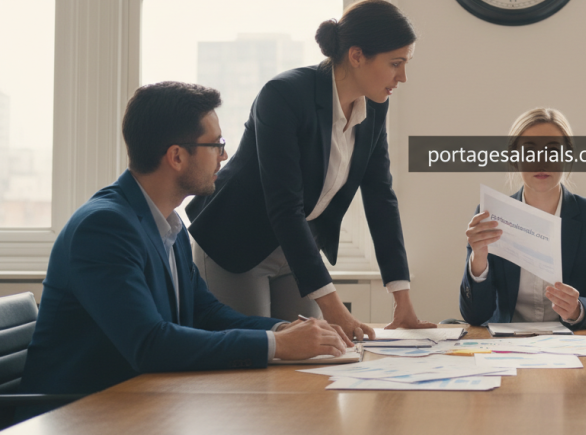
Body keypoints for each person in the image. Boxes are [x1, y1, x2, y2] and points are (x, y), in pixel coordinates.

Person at [19, 82, 347, 417]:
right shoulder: (104, 229)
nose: (225, 156)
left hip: (142, 401)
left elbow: (206, 313)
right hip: (77, 414)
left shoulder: (168, 223)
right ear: (176, 156)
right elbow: (149, 344)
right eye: (215, 145)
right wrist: (277, 347)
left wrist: (280, 330)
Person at [186, 0, 432, 339]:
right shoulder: (284, 95)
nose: (402, 77)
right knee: (254, 358)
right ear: (357, 55)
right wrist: (335, 310)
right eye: (395, 63)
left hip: (297, 249)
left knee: (314, 356)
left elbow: (380, 197)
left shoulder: (374, 107)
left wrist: (401, 299)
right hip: (238, 241)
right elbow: (284, 205)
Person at [459, 109, 586, 329]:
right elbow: (476, 316)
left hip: (572, 345)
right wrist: (478, 260)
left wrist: (578, 309)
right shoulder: (492, 214)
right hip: (508, 346)